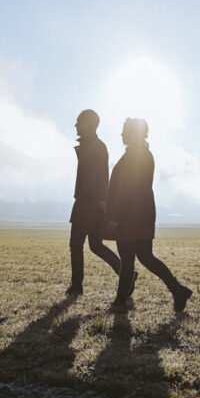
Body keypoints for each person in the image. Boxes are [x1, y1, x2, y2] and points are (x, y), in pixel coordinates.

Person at [106, 117, 193, 312]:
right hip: (139, 213)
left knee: (131, 258)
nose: (122, 134)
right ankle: (177, 290)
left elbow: (128, 189)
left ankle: (121, 301)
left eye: (125, 130)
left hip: (132, 215)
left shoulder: (137, 156)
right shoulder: (140, 154)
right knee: (143, 257)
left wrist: (115, 217)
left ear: (134, 133)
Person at [67, 109, 121, 296]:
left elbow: (98, 178)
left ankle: (76, 287)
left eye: (78, 121)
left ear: (88, 124)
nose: (75, 125)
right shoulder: (96, 146)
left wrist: (99, 200)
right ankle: (127, 274)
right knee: (95, 245)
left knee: (76, 244)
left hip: (86, 204)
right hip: (92, 203)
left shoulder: (94, 146)